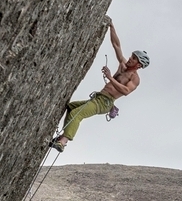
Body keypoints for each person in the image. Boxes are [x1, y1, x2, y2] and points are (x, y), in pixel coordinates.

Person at [49, 16, 149, 152]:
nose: (130, 59)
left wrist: (110, 77)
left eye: (133, 59)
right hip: (99, 98)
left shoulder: (135, 78)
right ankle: (63, 136)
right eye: (132, 56)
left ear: (139, 65)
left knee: (77, 114)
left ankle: (63, 142)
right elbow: (117, 45)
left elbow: (126, 91)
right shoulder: (122, 65)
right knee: (71, 107)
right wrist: (111, 26)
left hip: (105, 103)